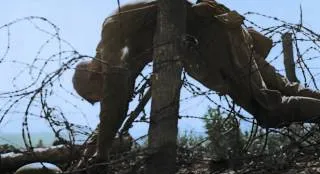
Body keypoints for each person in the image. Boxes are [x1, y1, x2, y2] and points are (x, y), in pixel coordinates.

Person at [73, 0, 320, 133]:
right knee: (284, 89)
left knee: (269, 109)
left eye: (97, 96)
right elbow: (117, 104)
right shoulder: (120, 57)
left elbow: (115, 102)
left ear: (94, 75)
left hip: (217, 44)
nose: (103, 99)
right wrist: (99, 145)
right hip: (226, 35)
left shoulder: (114, 31)